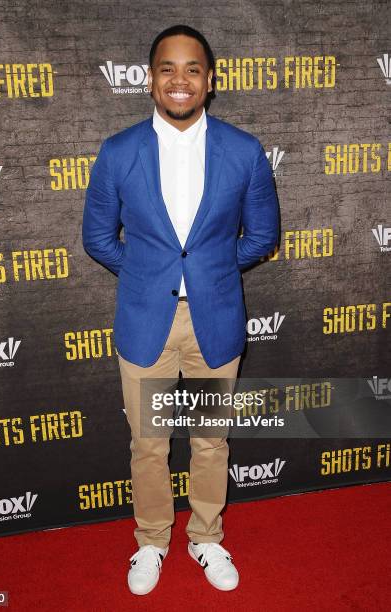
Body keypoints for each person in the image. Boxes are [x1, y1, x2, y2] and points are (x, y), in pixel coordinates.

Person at [82, 24, 279, 595]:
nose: (180, 79)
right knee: (148, 442)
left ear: (209, 81)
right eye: (167, 68)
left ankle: (206, 536)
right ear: (149, 79)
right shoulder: (118, 152)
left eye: (193, 68)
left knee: (210, 440)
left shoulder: (243, 150)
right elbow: (98, 238)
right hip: (147, 320)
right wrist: (153, 276)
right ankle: (151, 541)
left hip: (214, 319)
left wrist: (207, 272)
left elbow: (261, 235)